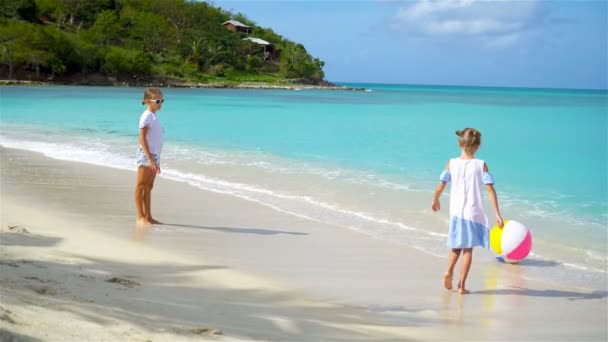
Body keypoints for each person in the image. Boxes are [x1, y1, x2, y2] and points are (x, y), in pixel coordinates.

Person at [432, 128, 503, 294]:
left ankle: (448, 271)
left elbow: (442, 184)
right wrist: (497, 214)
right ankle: (462, 286)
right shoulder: (481, 165)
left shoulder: (451, 163)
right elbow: (490, 190)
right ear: (478, 146)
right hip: (472, 212)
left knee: (456, 246)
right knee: (468, 250)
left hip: (456, 212)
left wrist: (435, 198)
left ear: (459, 143)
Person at [134, 87, 165, 226]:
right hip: (147, 155)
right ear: (148, 101)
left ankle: (148, 216)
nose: (160, 103)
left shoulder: (154, 116)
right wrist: (150, 159)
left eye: (162, 100)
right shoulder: (146, 116)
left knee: (149, 186)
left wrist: (156, 159)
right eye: (157, 101)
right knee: (141, 185)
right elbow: (142, 139)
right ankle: (140, 216)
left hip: (154, 156)